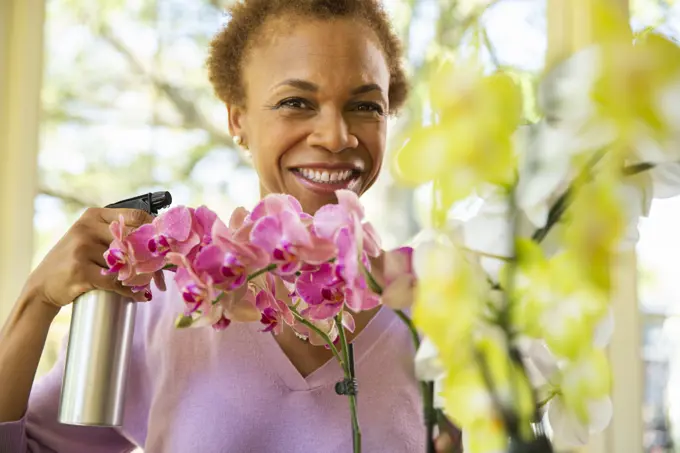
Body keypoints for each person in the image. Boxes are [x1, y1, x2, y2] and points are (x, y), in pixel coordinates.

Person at [0, 1, 459, 451]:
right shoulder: (161, 302)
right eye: (296, 102)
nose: (336, 136)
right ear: (237, 117)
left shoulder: (440, 316)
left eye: (366, 106)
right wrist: (35, 301)